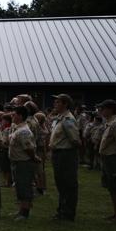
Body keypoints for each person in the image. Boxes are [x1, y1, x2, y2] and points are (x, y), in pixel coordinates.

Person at [49, 94, 82, 222]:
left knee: (68, 184)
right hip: (59, 154)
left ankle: (68, 213)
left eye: (57, 102)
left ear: (65, 104)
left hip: (66, 154)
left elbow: (75, 139)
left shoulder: (68, 119)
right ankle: (62, 210)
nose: (54, 104)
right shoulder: (59, 118)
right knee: (61, 184)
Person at [9, 106, 39, 221]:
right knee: (19, 186)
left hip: (24, 162)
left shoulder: (24, 131)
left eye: (14, 114)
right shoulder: (18, 128)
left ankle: (24, 213)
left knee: (24, 186)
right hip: (17, 162)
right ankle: (21, 209)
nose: (12, 116)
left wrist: (34, 157)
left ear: (20, 116)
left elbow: (28, 148)